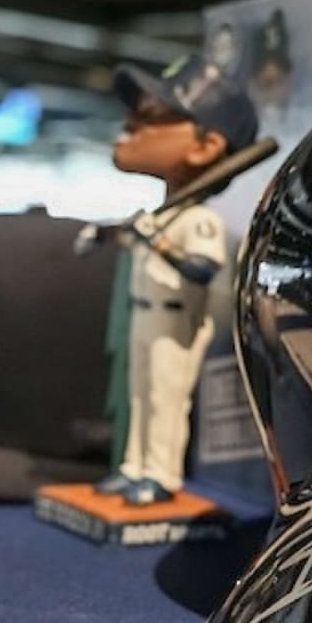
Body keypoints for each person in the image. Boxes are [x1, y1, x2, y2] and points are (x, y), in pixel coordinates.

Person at [96, 57, 259, 507]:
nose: (130, 125)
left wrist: (158, 241)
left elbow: (202, 270)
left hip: (176, 321)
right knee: (139, 396)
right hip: (144, 315)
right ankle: (133, 468)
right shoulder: (163, 213)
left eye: (152, 115)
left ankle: (162, 476)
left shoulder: (198, 220)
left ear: (206, 147)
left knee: (166, 401)